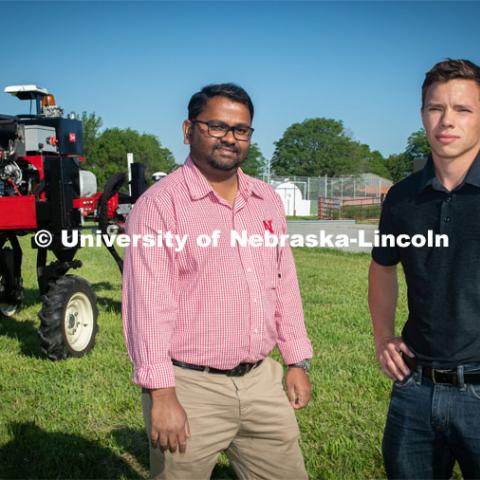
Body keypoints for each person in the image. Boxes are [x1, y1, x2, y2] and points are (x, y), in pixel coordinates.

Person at [122, 83, 313, 480]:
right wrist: (162, 394)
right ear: (188, 130)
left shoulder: (265, 199)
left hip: (262, 381)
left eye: (241, 129)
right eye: (217, 126)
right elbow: (147, 306)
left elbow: (284, 281)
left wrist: (296, 360)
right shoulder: (159, 205)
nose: (230, 137)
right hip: (191, 388)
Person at [369, 58, 480, 479]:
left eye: (463, 109)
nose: (446, 121)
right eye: (436, 108)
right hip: (415, 388)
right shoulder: (402, 197)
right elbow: (382, 268)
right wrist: (383, 336)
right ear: (422, 115)